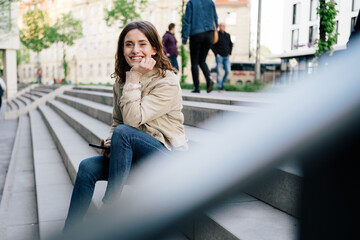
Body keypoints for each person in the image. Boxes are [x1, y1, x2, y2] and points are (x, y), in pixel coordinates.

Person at [63, 21, 188, 232]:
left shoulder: (167, 81)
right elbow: (118, 123)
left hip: (167, 157)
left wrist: (135, 77)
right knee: (86, 167)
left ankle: (111, 204)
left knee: (125, 134)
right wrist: (111, 145)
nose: (135, 50)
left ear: (154, 49)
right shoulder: (122, 81)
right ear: (122, 49)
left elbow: (130, 122)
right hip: (135, 153)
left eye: (142, 44)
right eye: (129, 44)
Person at [182, 0, 218, 93]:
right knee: (202, 60)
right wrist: (215, 31)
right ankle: (209, 78)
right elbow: (215, 18)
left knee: (194, 62)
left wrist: (184, 38)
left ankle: (197, 87)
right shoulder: (210, 2)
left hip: (196, 34)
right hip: (209, 34)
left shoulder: (191, 3)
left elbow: (187, 21)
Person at [211, 22, 233, 91]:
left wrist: (230, 52)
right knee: (219, 72)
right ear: (219, 27)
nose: (222, 27)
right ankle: (220, 87)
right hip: (219, 56)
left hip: (226, 56)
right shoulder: (216, 34)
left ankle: (222, 84)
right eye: (221, 26)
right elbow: (212, 45)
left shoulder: (227, 35)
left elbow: (231, 44)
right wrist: (216, 53)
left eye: (224, 26)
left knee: (228, 71)